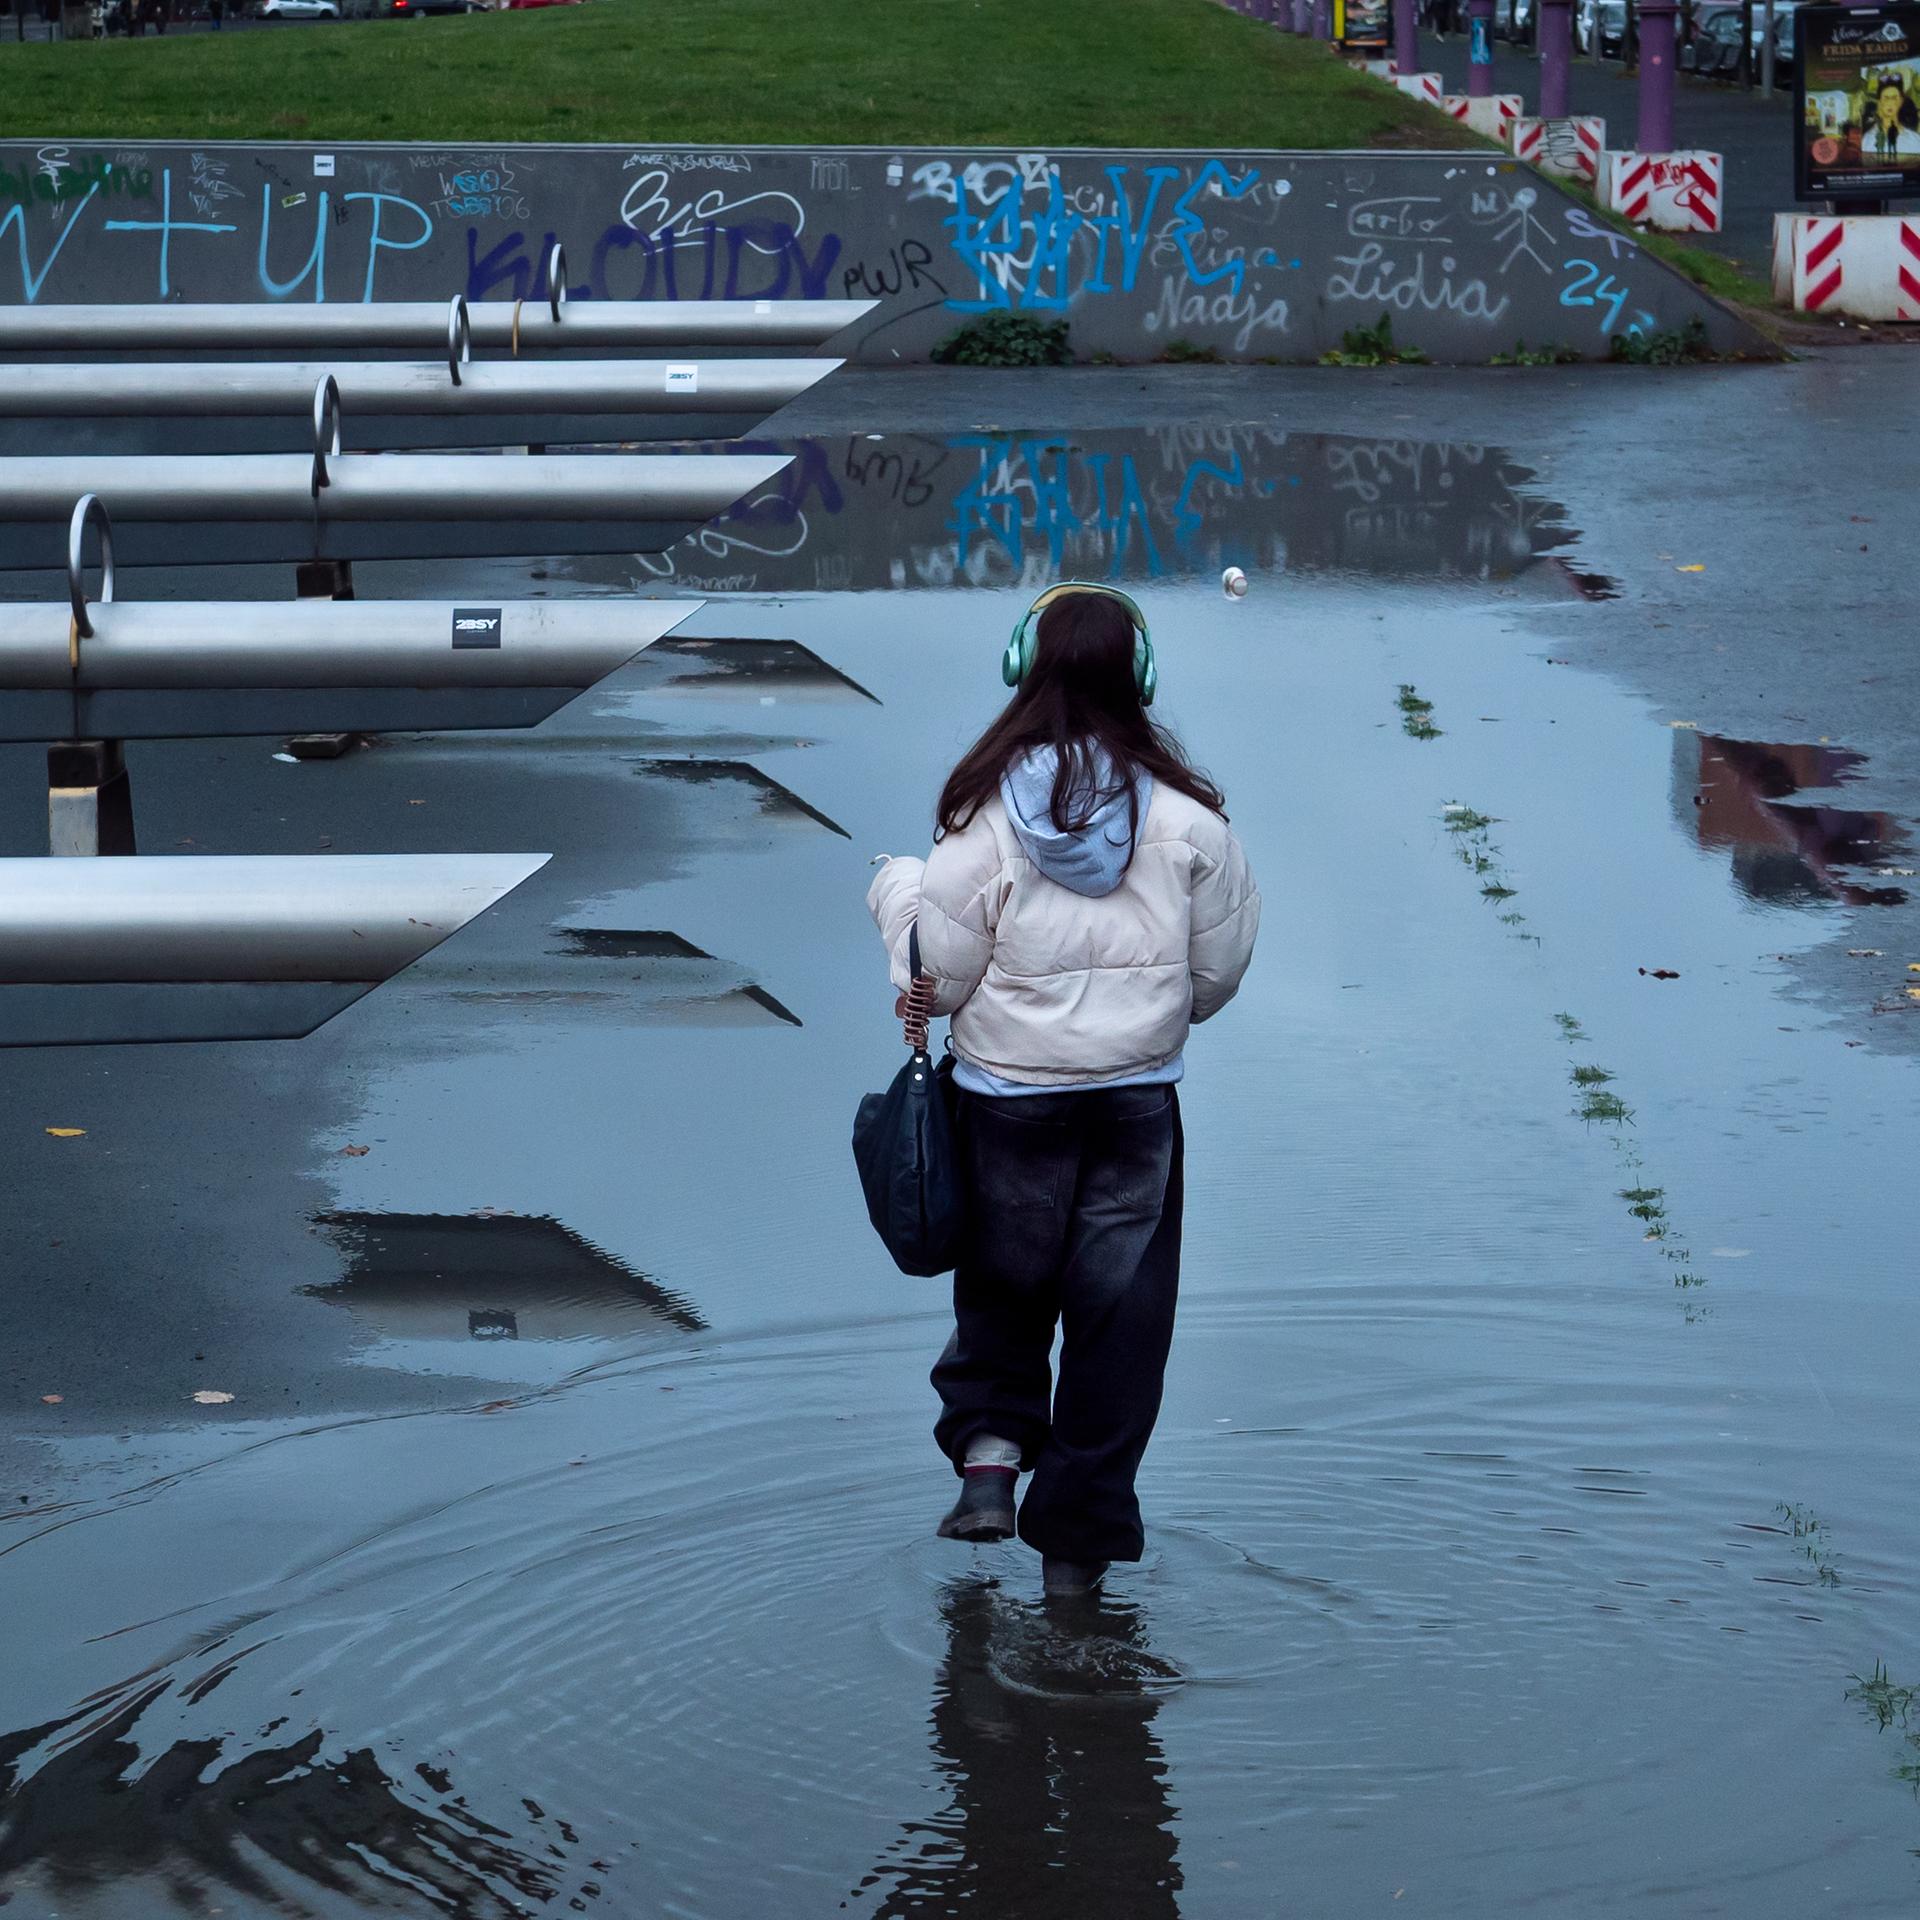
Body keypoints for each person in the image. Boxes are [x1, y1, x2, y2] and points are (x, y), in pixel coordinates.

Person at [867, 582, 1259, 1600]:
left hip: (1004, 1104)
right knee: (1119, 1323)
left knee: (1004, 1288)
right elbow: (1211, 984)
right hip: (1137, 1110)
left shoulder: (979, 820)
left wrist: (897, 891)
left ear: (1020, 671)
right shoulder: (1192, 824)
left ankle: (991, 1465)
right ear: (1142, 679)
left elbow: (937, 982)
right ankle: (1077, 1572)